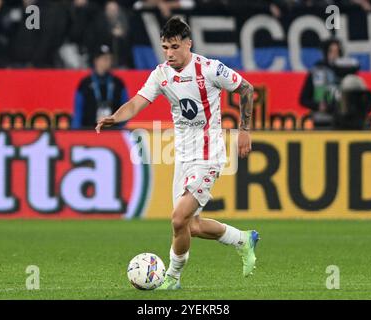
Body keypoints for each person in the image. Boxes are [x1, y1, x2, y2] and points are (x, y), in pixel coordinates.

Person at [96, 17, 260, 290]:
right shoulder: (161, 74)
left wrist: (244, 130)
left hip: (208, 156)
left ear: (188, 44)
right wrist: (116, 117)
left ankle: (172, 278)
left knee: (177, 218)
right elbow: (138, 102)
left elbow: (246, 88)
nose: (169, 53)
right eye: (165, 48)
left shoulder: (210, 69)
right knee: (190, 226)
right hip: (182, 157)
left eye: (174, 46)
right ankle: (243, 239)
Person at [299, 38, 360, 129]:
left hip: (343, 122)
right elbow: (303, 99)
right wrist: (318, 106)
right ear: (325, 52)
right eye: (331, 51)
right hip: (323, 121)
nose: (335, 54)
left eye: (337, 51)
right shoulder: (317, 71)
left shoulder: (348, 72)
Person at [72, 44, 129, 129]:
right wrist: (76, 132)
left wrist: (120, 129)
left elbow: (125, 109)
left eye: (110, 59)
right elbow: (78, 112)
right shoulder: (85, 84)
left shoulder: (118, 83)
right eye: (105, 59)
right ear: (96, 60)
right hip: (89, 131)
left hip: (113, 132)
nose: (108, 62)